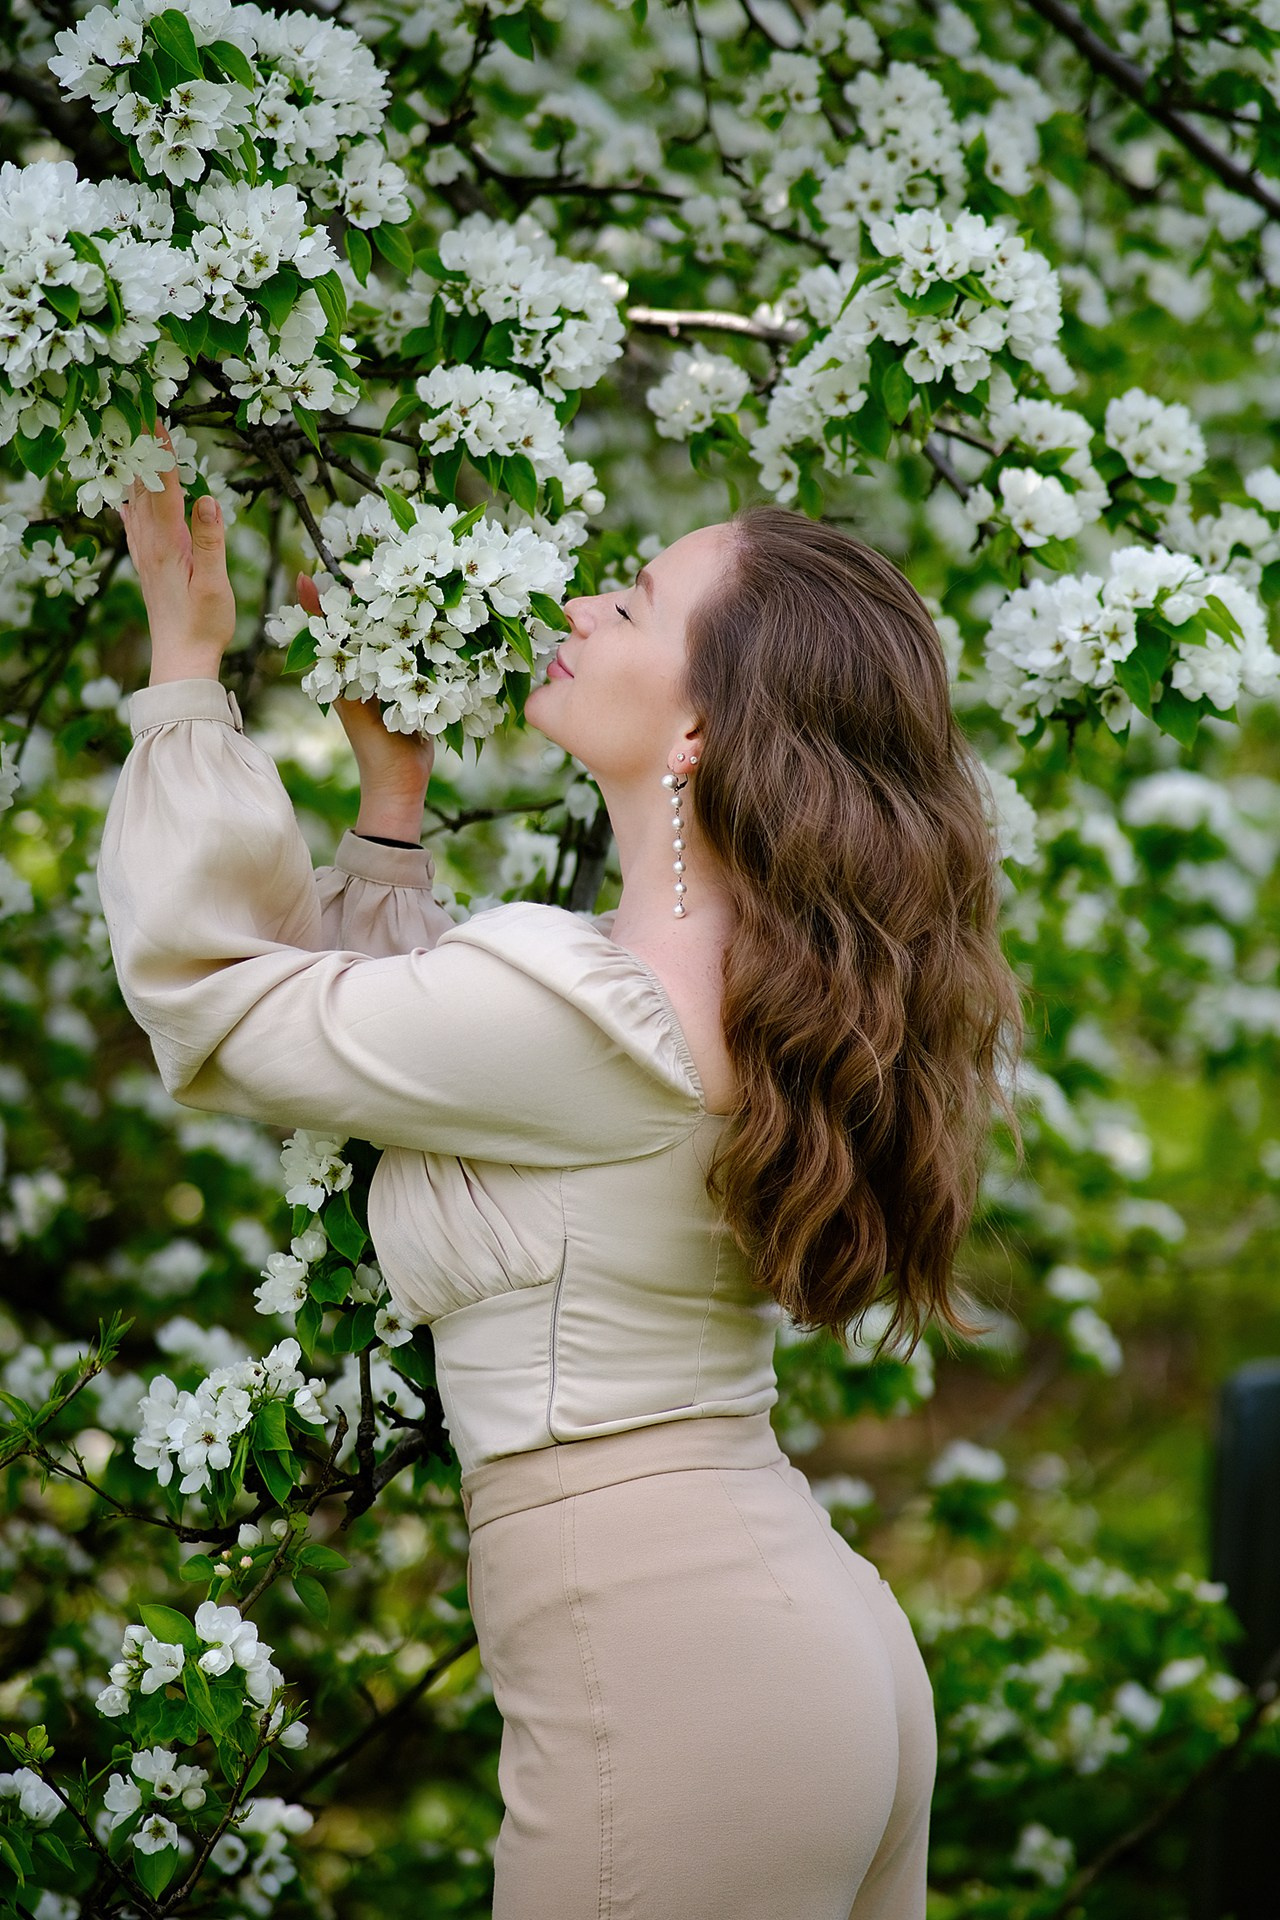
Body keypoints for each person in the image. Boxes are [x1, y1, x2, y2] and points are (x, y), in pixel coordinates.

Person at [99, 420, 1024, 1920]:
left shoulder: (585, 1013)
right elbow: (418, 1063)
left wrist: (186, 684)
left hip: (677, 1683)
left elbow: (211, 996)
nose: (585, 611)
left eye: (637, 603)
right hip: (800, 1657)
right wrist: (387, 815)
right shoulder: (684, 998)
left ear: (704, 731)